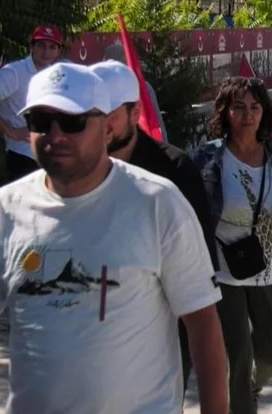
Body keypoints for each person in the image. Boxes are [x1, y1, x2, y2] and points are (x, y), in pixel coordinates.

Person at [0, 62, 231, 414]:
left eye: (73, 122)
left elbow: (203, 322)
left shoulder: (157, 202)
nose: (56, 134)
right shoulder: (6, 209)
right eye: (41, 121)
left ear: (105, 124)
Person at [192, 77, 272, 414]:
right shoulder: (208, 158)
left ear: (264, 112)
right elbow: (191, 206)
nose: (247, 116)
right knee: (237, 352)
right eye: (238, 108)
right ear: (225, 112)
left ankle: (248, 390)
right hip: (223, 270)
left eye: (254, 108)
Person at [91, 60, 216, 393]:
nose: (99, 124)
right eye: (91, 114)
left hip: (158, 340)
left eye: (110, 114)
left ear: (135, 114)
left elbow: (201, 268)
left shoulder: (173, 171)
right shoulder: (74, 170)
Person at [0, 25, 63, 181]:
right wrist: (9, 130)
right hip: (24, 156)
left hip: (48, 153)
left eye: (52, 47)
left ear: (58, 50)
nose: (46, 52)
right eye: (41, 45)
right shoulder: (14, 72)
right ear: (32, 45)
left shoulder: (54, 73)